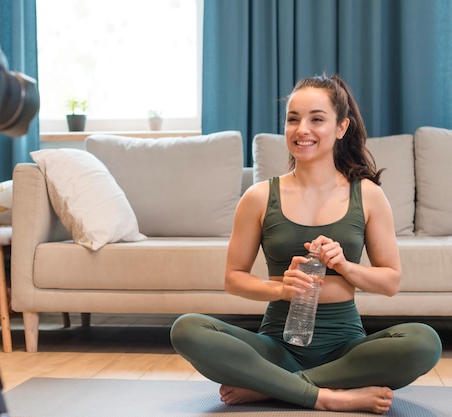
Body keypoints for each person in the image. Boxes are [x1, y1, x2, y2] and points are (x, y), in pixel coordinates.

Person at [170, 74, 442, 414]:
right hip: (275, 346)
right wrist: (282, 290)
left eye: (317, 119)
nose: (302, 130)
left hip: (345, 349)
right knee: (188, 329)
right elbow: (234, 278)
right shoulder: (258, 197)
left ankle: (272, 386)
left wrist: (344, 266)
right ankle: (327, 395)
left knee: (424, 341)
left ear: (341, 127)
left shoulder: (368, 195)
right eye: (293, 119)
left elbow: (390, 282)